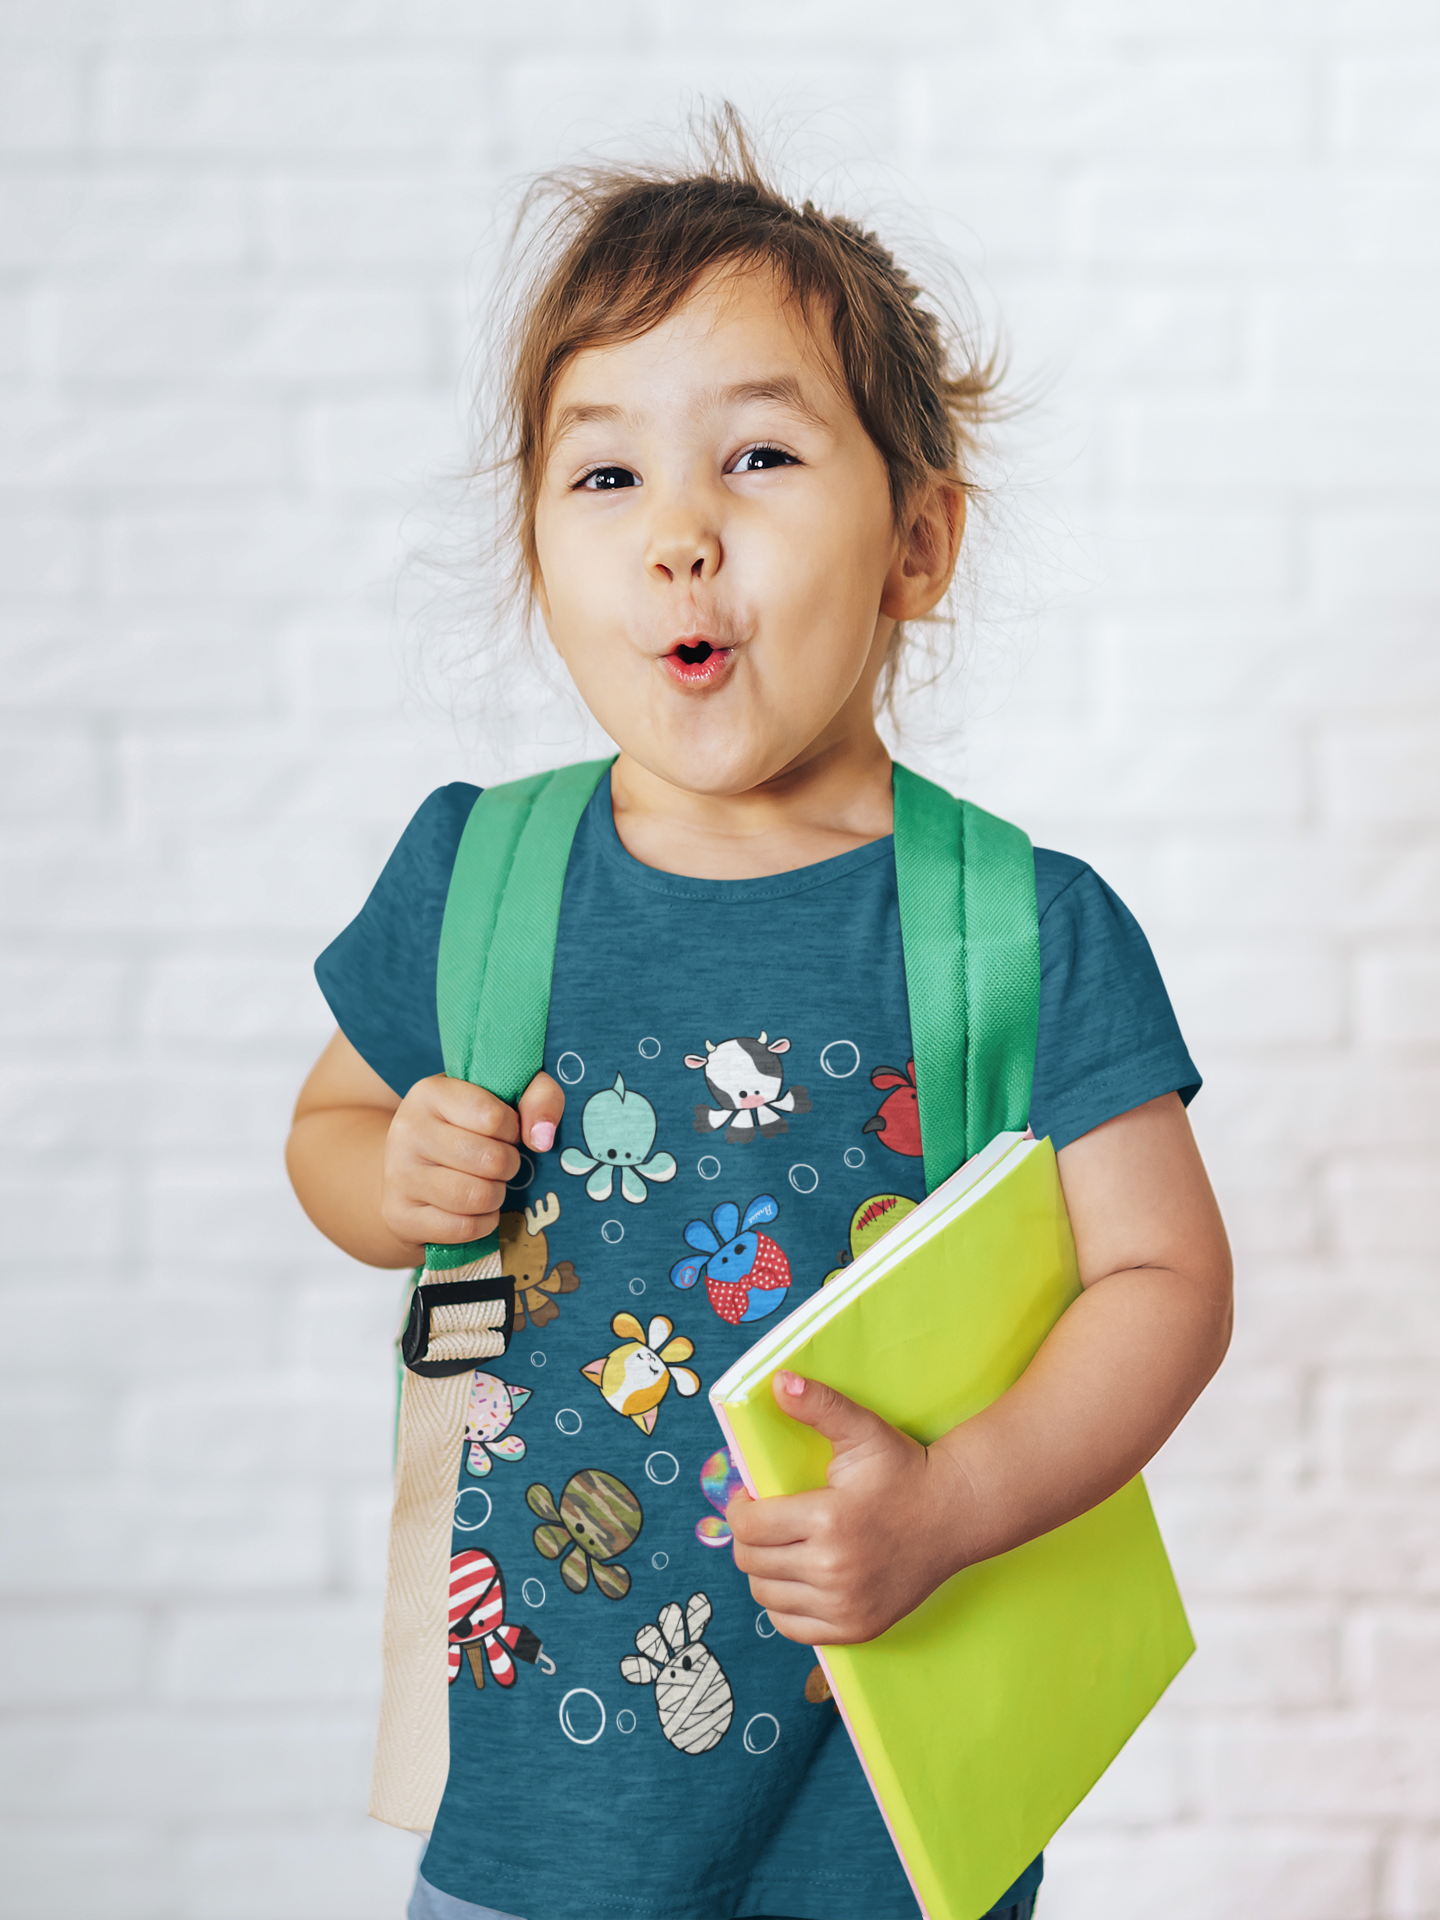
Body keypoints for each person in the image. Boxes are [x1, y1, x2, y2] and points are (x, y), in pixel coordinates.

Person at [286, 116, 1232, 1920]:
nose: (682, 538)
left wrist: (951, 1505)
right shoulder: (482, 877)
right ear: (538, 550)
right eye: (607, 478)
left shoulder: (1024, 928)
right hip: (531, 1813)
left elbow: (1169, 1284)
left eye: (761, 456)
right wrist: (394, 1170)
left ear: (918, 543)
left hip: (875, 1801)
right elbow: (326, 1139)